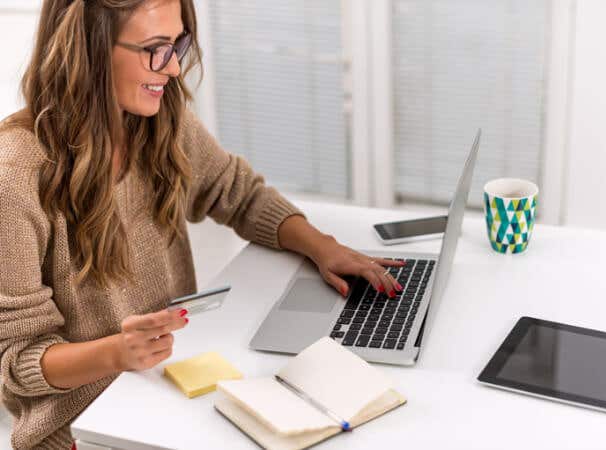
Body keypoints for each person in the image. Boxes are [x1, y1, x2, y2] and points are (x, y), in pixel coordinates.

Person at [0, 0, 405, 448]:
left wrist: (322, 246)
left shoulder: (155, 124)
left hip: (170, 385)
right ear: (89, 50)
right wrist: (117, 351)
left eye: (177, 45)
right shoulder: (15, 178)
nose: (173, 68)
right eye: (156, 49)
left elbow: (238, 192)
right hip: (85, 428)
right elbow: (16, 360)